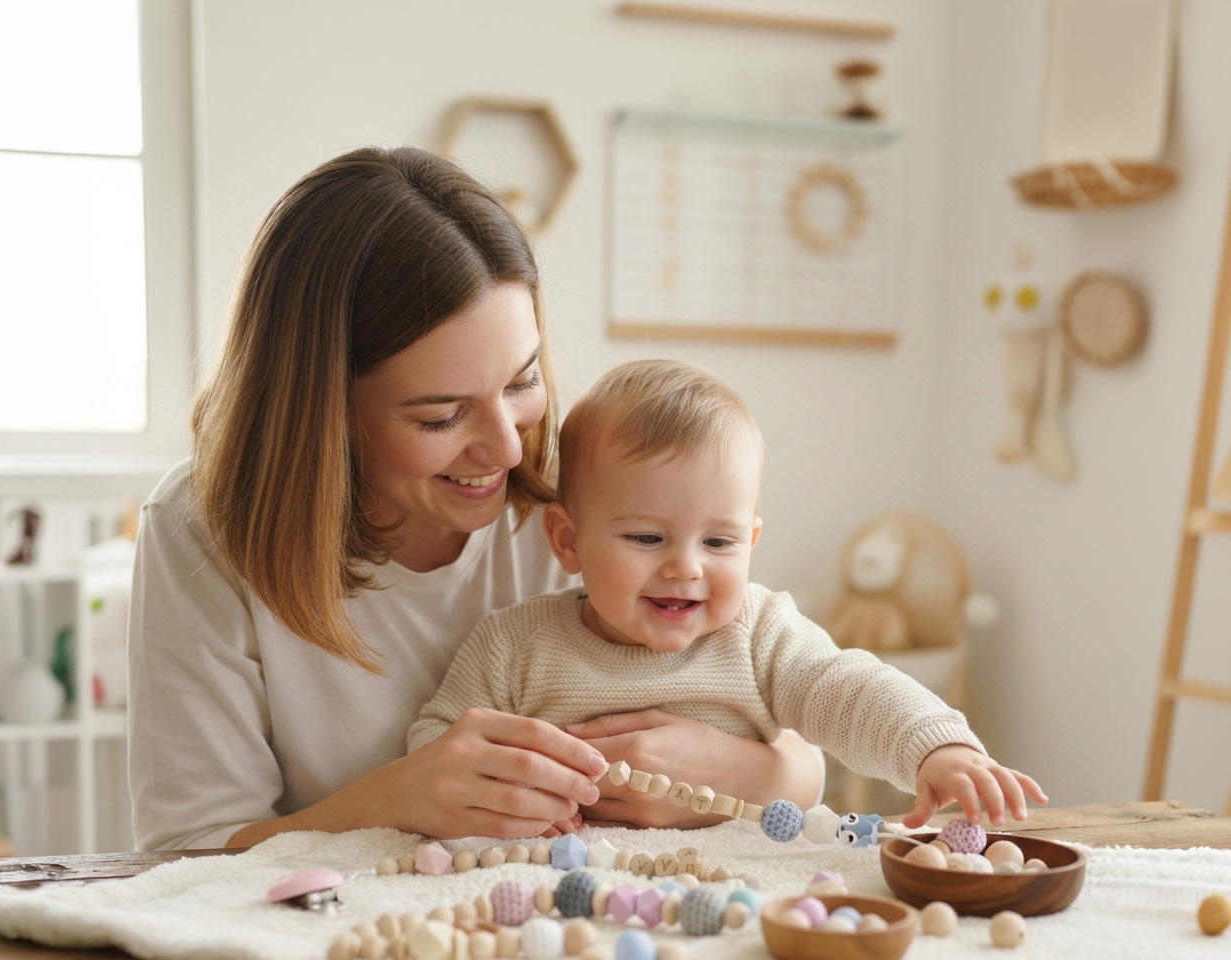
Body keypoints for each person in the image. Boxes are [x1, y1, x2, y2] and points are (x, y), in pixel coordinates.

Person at [128, 148, 820, 851]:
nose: (510, 450)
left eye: (521, 383)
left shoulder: (585, 504)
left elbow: (802, 749)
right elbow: (187, 851)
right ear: (323, 413)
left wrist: (737, 775)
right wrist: (396, 798)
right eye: (441, 416)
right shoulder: (202, 533)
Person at [410, 360, 1047, 829]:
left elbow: (849, 690)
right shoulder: (514, 645)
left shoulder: (759, 633)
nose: (685, 569)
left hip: (736, 894)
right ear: (568, 541)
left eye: (720, 544)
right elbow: (437, 747)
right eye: (646, 537)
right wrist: (505, 800)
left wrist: (936, 746)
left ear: (753, 539)